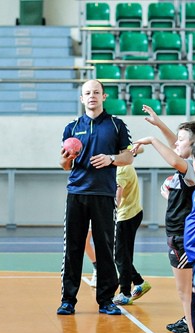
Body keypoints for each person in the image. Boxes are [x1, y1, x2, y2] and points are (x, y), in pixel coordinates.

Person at [132, 107, 195, 333]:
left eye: (181, 139)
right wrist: (160, 126)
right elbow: (177, 147)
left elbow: (176, 157)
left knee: (187, 295)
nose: (176, 142)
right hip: (177, 238)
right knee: (187, 294)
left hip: (185, 239)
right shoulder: (190, 164)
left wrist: (151, 139)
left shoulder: (191, 169)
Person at [58, 79, 133, 316]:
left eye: (96, 92)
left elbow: (128, 157)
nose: (92, 96)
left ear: (104, 97)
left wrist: (111, 159)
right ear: (82, 98)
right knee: (73, 248)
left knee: (104, 248)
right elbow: (64, 166)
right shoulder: (71, 127)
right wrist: (66, 158)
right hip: (77, 193)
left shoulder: (116, 125)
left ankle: (106, 300)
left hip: (103, 194)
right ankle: (68, 300)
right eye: (87, 93)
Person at [113, 156, 151, 305]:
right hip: (132, 213)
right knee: (123, 254)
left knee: (121, 255)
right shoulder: (123, 163)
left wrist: (110, 211)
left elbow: (118, 193)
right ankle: (138, 281)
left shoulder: (121, 168)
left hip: (125, 216)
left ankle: (125, 293)